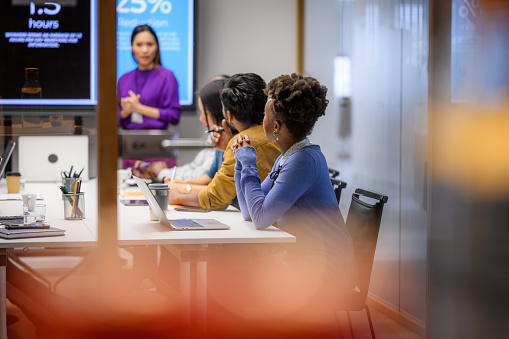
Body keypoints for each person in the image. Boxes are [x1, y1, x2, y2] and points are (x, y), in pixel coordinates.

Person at [227, 73, 358, 322]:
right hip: (308, 262)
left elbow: (261, 218)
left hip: (329, 272)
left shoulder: (302, 161)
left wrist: (248, 160)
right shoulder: (288, 157)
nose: (261, 119)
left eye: (265, 115)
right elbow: (249, 211)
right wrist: (240, 164)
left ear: (276, 126)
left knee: (240, 282)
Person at [167, 73, 281, 210]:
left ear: (229, 115)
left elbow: (217, 197)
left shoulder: (240, 142)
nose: (201, 118)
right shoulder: (274, 134)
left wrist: (178, 197)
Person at [133, 78, 233, 184]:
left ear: (219, 110)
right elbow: (207, 175)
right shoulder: (217, 137)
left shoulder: (231, 142)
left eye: (205, 112)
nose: (201, 118)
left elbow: (212, 184)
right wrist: (171, 179)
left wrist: (165, 175)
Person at [118, 24, 181, 130]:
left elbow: (174, 116)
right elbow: (113, 118)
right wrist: (126, 111)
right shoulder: (123, 79)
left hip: (157, 141)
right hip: (127, 140)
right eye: (139, 45)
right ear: (132, 47)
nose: (144, 50)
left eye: (149, 44)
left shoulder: (167, 77)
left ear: (157, 46)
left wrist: (139, 108)